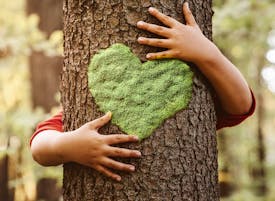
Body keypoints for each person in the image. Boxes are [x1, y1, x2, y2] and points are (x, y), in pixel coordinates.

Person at [30, 2, 255, 182]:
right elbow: (40, 145)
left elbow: (241, 105)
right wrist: (69, 146)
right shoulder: (89, 110)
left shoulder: (200, 97)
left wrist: (207, 54)